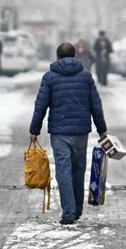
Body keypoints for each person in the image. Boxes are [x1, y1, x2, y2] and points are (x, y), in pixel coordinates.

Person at [29, 42, 108, 225]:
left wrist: (34, 129)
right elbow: (96, 104)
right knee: (78, 170)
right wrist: (102, 129)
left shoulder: (49, 77)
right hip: (81, 131)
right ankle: (77, 209)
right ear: (74, 56)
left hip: (59, 132)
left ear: (57, 57)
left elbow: (40, 105)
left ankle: (69, 212)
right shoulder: (86, 76)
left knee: (63, 171)